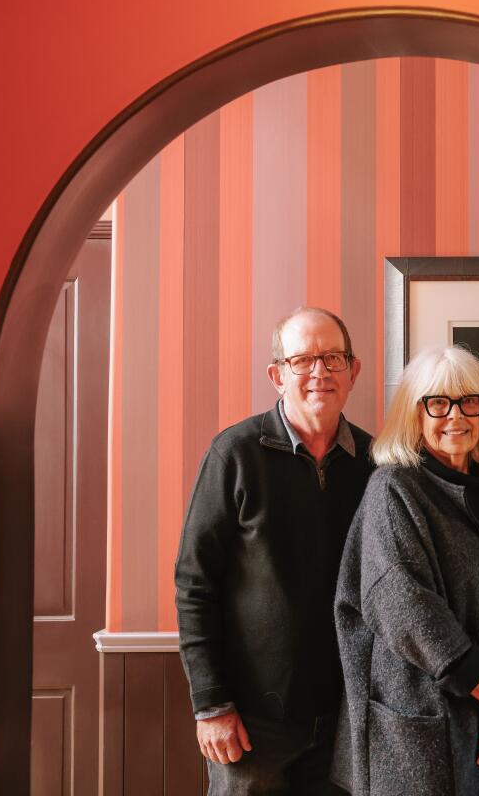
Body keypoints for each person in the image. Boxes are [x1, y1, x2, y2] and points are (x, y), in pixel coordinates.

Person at [332, 346, 479, 796]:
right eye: (437, 402)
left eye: (469, 401)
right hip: (414, 736)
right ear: (414, 413)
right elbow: (405, 609)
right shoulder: (392, 490)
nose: (456, 415)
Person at [175, 307, 374, 795]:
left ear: (354, 370)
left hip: (345, 717)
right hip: (250, 724)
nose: (320, 372)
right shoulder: (235, 453)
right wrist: (211, 704)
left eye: (332, 357)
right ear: (277, 375)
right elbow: (194, 583)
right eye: (303, 359)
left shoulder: (375, 464)